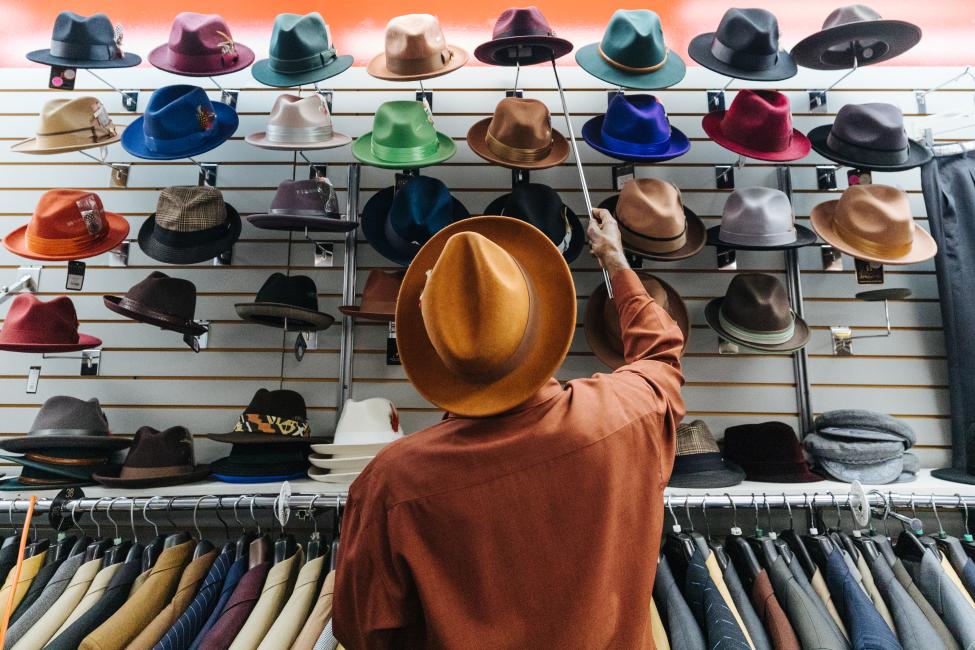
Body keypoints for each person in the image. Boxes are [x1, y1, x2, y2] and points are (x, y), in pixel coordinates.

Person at [333, 208, 686, 648]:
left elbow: (362, 632)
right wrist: (615, 262)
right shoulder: (628, 413)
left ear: (431, 342)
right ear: (541, 316)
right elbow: (662, 354)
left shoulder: (391, 483)